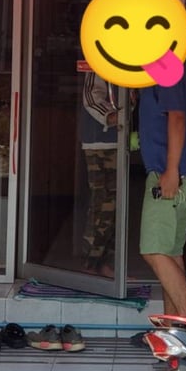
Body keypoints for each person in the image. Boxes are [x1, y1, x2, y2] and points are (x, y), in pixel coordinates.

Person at [138, 67, 186, 317]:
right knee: (170, 253)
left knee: (154, 250)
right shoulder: (157, 68)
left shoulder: (164, 67)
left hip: (172, 173)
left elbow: (177, 117)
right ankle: (174, 329)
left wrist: (171, 170)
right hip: (178, 171)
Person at [80, 71, 119, 276]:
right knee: (103, 205)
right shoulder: (98, 61)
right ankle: (89, 264)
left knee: (116, 207)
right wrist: (112, 116)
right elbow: (90, 96)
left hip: (119, 140)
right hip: (99, 143)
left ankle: (105, 263)